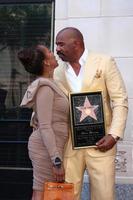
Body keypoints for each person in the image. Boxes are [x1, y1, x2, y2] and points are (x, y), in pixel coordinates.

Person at [54, 27, 128, 200]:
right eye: (57, 45)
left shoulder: (104, 61)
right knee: (67, 195)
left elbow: (120, 100)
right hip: (70, 145)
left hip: (102, 143)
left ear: (77, 44)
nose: (57, 49)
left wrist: (114, 134)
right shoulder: (57, 72)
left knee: (104, 195)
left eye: (61, 44)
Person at [18, 45, 69, 200]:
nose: (53, 53)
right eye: (49, 52)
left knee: (42, 191)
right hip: (45, 149)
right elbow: (46, 126)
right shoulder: (44, 87)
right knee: (41, 192)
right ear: (46, 62)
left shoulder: (50, 83)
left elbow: (44, 115)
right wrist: (56, 162)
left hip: (51, 146)